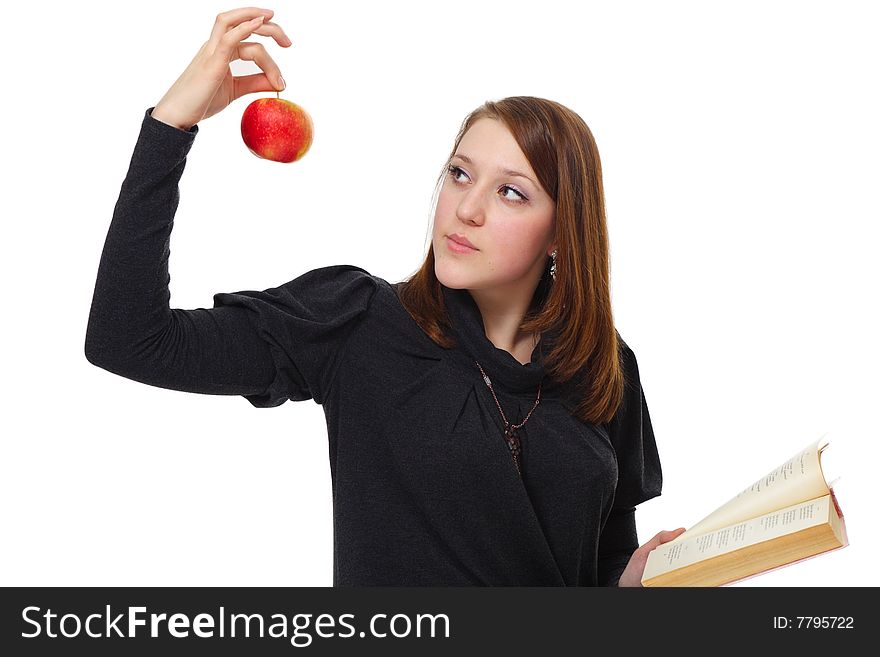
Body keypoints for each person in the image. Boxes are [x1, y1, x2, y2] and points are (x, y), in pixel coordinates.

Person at [85, 6, 685, 586]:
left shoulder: (603, 364)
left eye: (511, 193)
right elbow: (129, 339)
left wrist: (631, 591)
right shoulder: (358, 322)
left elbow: (601, 564)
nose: (467, 209)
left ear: (563, 230)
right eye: (459, 174)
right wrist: (171, 125)